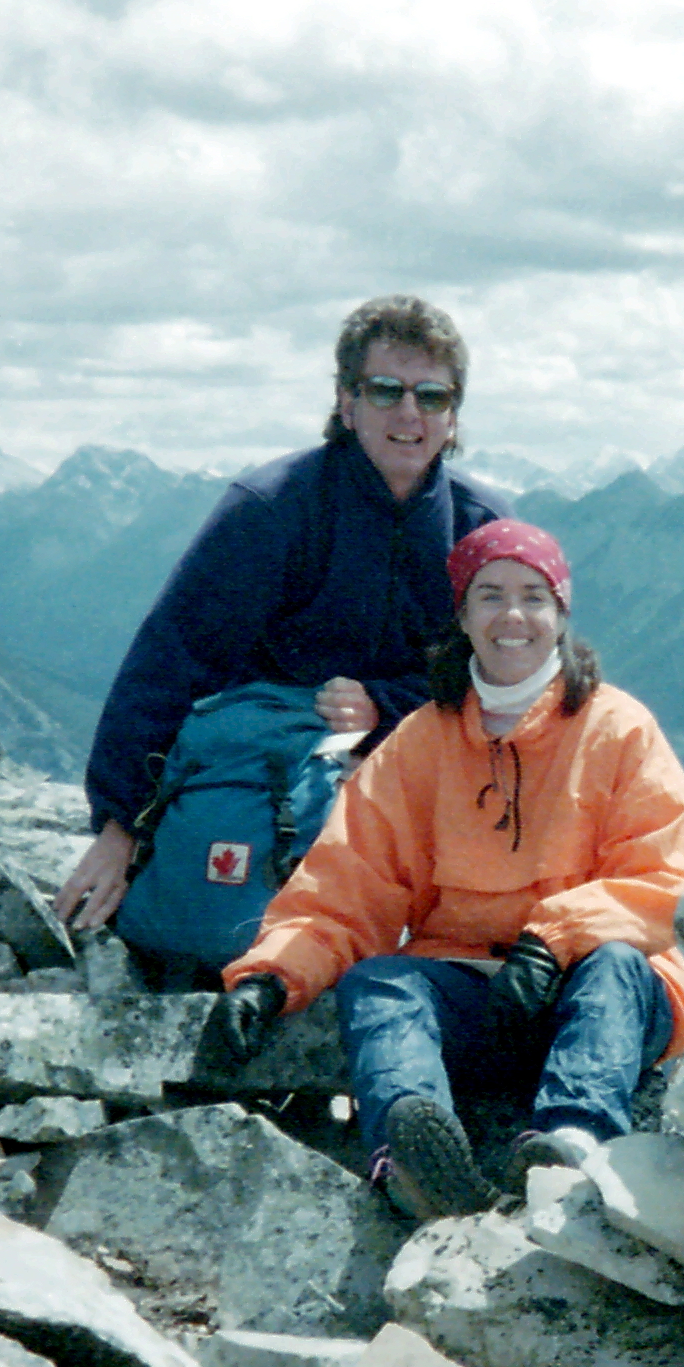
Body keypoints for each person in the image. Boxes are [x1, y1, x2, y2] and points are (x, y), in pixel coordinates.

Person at [201, 521, 684, 1217]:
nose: (512, 616)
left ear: (561, 615)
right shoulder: (420, 741)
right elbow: (349, 886)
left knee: (617, 964)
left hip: (592, 995)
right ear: (463, 617)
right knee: (380, 981)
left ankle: (571, 1143)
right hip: (473, 997)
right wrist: (271, 978)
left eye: (533, 596)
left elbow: (667, 882)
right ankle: (414, 1154)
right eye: (490, 596)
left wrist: (553, 941)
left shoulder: (619, 729)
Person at [52, 295, 506, 934]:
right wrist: (119, 828)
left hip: (414, 772)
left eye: (432, 396)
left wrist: (383, 707)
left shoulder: (481, 529)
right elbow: (173, 660)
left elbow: (506, 679)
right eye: (386, 390)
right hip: (270, 781)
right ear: (347, 403)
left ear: (453, 416)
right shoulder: (272, 509)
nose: (410, 413)